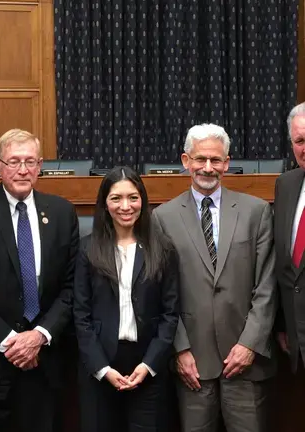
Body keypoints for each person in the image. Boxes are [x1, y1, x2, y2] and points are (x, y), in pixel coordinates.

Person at [152, 123, 276, 432]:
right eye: (200, 159)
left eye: (216, 160)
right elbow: (161, 292)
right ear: (186, 161)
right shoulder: (162, 218)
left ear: (227, 163)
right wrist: (179, 349)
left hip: (245, 359)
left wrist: (249, 343)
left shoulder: (256, 212)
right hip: (192, 361)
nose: (208, 168)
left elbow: (268, 285)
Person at [0, 129, 79, 432]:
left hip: (44, 363)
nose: (23, 170)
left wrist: (39, 336)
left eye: (30, 161)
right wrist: (10, 341)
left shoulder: (62, 212)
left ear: (40, 167)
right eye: (14, 162)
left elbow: (72, 286)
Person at [73, 166, 179, 432]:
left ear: (143, 200)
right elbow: (81, 315)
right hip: (100, 366)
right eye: (116, 198)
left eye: (133, 197)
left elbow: (170, 314)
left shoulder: (163, 248)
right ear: (104, 204)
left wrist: (149, 365)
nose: (126, 206)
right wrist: (102, 368)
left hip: (147, 364)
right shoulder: (87, 249)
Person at [274, 103, 305, 372]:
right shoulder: (286, 185)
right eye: (300, 140)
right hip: (297, 339)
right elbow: (285, 267)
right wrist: (284, 324)